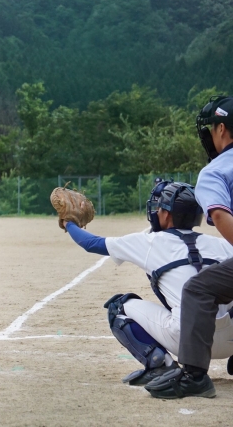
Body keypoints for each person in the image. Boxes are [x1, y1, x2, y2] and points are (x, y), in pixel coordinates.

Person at [63, 181, 233, 387]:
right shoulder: (222, 244)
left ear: (166, 215)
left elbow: (91, 243)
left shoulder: (150, 242)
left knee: (118, 307)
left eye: (159, 208)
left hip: (187, 343)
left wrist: (69, 223)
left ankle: (161, 365)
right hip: (230, 340)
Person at [147, 96, 233, 399]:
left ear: (221, 129)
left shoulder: (216, 170)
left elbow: (219, 214)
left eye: (211, 128)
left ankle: (194, 375)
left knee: (199, 288)